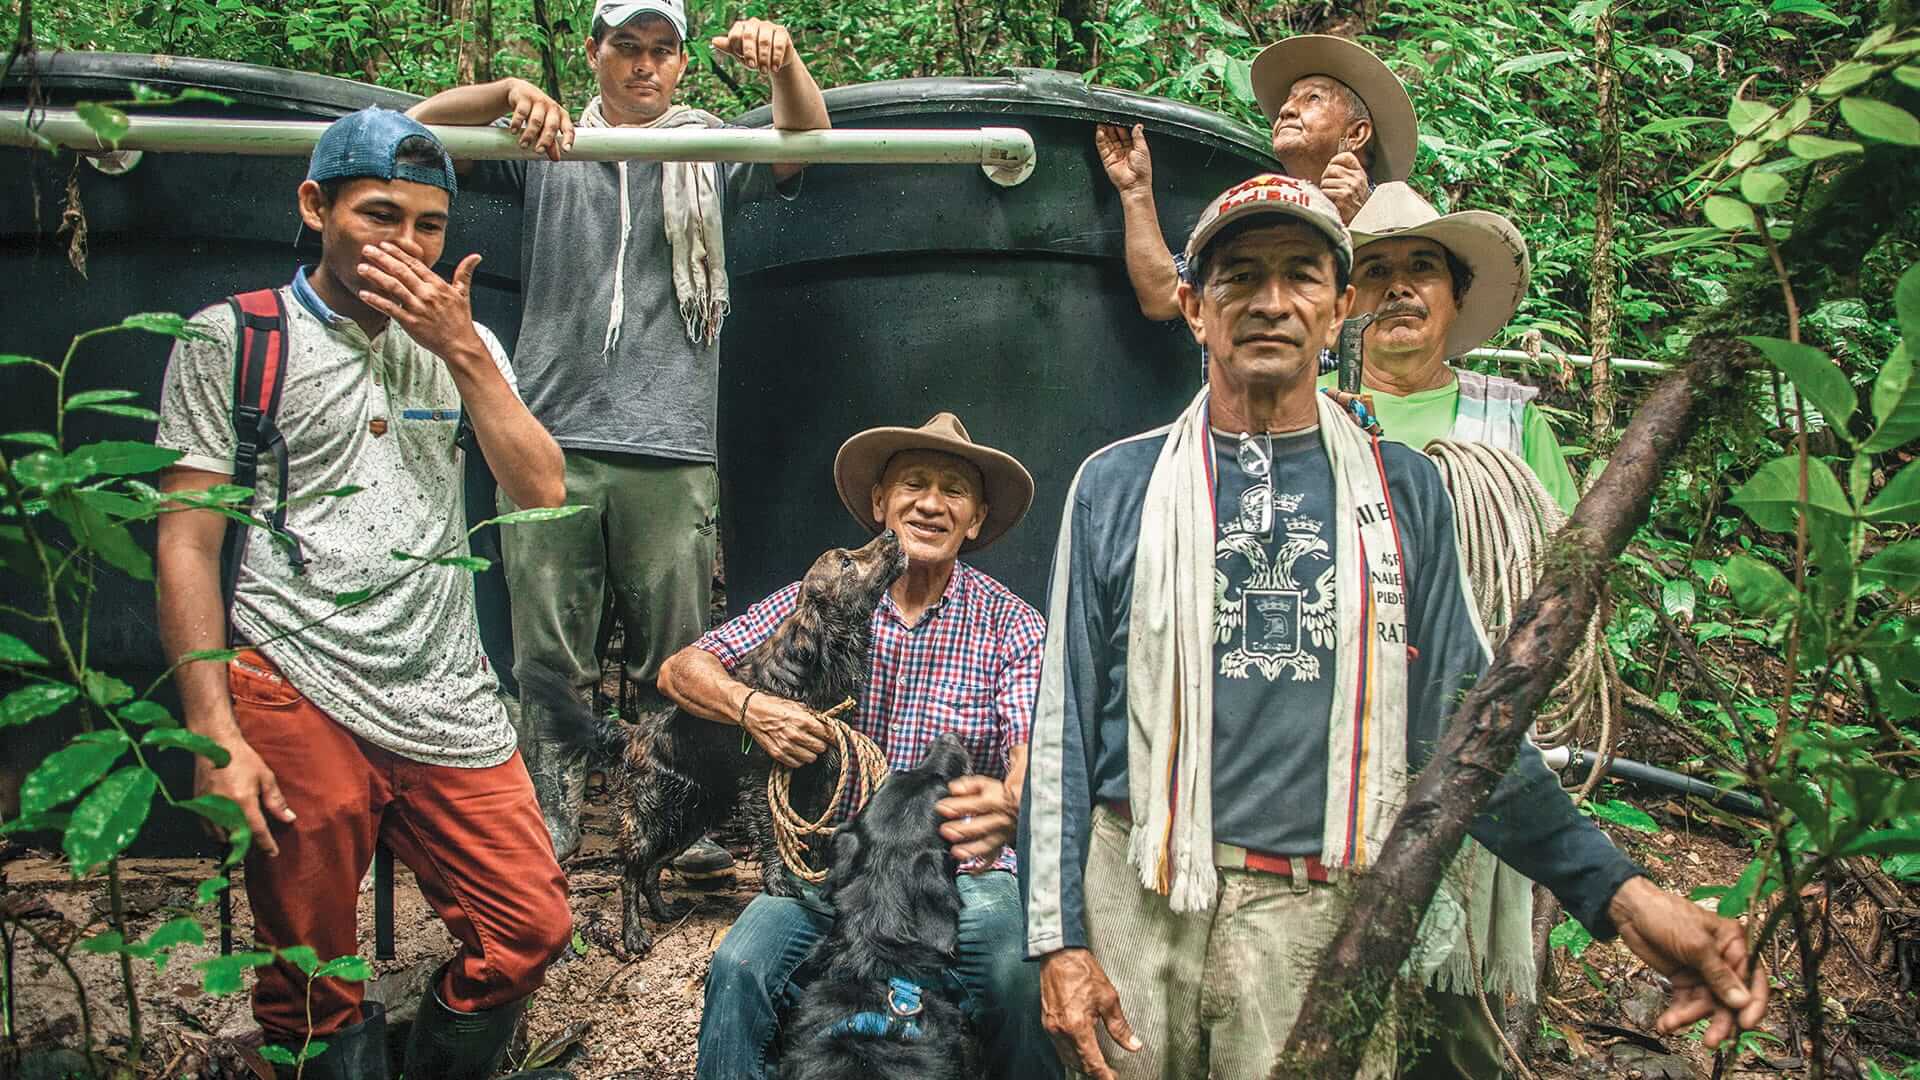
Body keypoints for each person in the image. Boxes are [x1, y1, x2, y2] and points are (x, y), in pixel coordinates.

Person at [1019, 174, 1770, 1080]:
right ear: (1193, 304)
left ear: (1341, 310)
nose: (1269, 301)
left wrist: (1619, 895)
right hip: (1134, 892)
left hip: (1314, 916)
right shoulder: (1118, 484)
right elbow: (1059, 725)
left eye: (1301, 276)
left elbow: (1464, 727)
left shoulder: (1401, 489)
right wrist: (1059, 940)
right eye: (1238, 277)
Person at [154, 109, 572, 1080]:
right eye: (380, 214)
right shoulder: (236, 337)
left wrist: (463, 349)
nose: (408, 244)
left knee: (530, 925)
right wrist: (214, 735)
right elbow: (185, 543)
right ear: (316, 205)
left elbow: (542, 488)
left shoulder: (460, 341)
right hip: (292, 678)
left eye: (428, 223)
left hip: (443, 688)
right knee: (309, 975)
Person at [406, 0, 831, 872]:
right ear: (592, 53)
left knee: (676, 655)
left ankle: (675, 819)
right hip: (548, 442)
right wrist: (504, 91)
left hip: (671, 445)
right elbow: (401, 135)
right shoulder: (547, 146)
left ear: (681, 64)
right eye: (626, 48)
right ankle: (546, 825)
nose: (645, 67)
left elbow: (807, 142)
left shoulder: (709, 151)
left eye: (662, 51)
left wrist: (784, 62)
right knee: (547, 658)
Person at [658, 414, 1061, 1080]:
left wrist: (1013, 802)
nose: (931, 502)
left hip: (958, 872)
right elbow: (682, 669)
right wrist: (753, 707)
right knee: (741, 969)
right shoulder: (820, 601)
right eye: (914, 484)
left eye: (953, 490)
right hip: (828, 866)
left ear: (977, 518)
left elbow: (1032, 754)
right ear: (881, 503)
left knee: (1015, 979)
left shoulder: (1011, 625)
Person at [1095, 34, 1418, 322]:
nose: (1286, 110)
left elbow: (1409, 318)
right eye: (1287, 101)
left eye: (1312, 99)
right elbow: (1163, 298)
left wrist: (1360, 223)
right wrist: (1135, 190)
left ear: (1357, 133)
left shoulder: (1401, 216)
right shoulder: (1254, 205)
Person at [1334, 180, 1581, 511]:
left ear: (1458, 295)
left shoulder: (1510, 417)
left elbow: (1564, 548)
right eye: (1375, 271)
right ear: (1344, 301)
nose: (1398, 288)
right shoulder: (1305, 405)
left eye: (1422, 267)